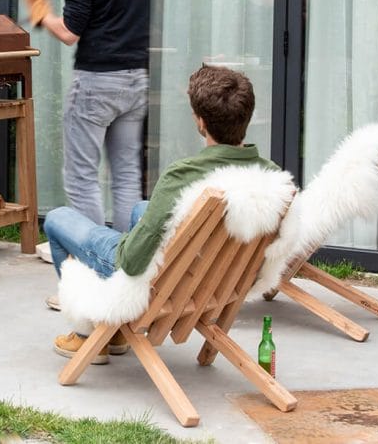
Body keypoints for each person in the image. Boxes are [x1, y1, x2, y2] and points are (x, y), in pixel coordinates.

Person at [45, 64, 279, 363]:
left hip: (166, 285)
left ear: (201, 122)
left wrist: (125, 242)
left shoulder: (183, 177)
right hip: (216, 283)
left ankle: (88, 335)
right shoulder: (271, 176)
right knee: (141, 210)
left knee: (58, 219)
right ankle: (115, 333)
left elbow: (130, 261)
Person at [22, 0, 189, 259]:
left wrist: (40, 9)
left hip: (97, 81)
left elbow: (69, 33)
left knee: (82, 177)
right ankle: (131, 262)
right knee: (126, 175)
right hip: (134, 81)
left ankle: (92, 264)